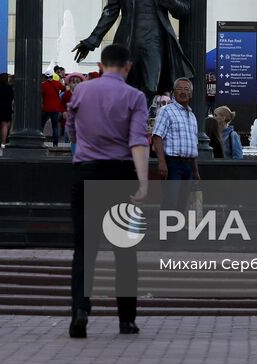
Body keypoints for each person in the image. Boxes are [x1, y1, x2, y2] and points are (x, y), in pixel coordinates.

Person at [66, 43, 149, 339]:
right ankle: (126, 319)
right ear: (127, 66)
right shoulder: (135, 96)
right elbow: (138, 141)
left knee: (84, 249)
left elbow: (71, 128)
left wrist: (83, 148)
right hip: (120, 175)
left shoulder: (81, 91)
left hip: (86, 172)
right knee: (125, 251)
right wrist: (142, 182)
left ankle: (80, 309)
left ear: (100, 65)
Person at [152, 78, 201, 213]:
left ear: (191, 94)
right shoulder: (166, 111)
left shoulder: (192, 116)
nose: (183, 92)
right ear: (174, 92)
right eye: (180, 89)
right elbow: (157, 137)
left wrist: (195, 170)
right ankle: (167, 234)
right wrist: (162, 163)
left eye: (187, 89)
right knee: (170, 203)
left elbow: (193, 144)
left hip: (189, 165)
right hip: (172, 164)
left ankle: (175, 233)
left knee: (181, 205)